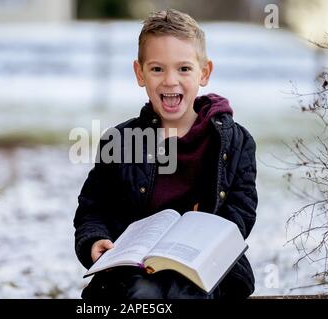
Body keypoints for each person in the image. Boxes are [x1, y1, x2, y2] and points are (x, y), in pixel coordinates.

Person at [73, 9, 257, 299]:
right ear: (140, 73)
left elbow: (241, 209)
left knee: (187, 293)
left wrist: (207, 242)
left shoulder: (235, 142)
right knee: (142, 293)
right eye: (157, 69)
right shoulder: (121, 141)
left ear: (204, 72)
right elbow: (94, 206)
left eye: (183, 68)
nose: (170, 80)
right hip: (133, 271)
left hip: (206, 270)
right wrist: (94, 239)